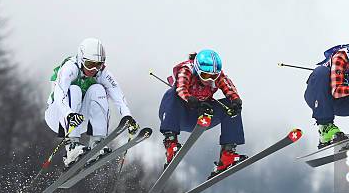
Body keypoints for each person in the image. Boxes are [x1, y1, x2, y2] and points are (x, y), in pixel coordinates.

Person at [45, 38, 137, 169]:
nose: (93, 69)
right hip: (59, 117)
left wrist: (127, 115)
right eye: (89, 64)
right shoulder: (70, 68)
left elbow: (117, 95)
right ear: (81, 59)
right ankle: (71, 147)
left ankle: (97, 143)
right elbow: (60, 94)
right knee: (75, 90)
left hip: (79, 120)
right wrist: (69, 114)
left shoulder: (102, 73)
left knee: (98, 89)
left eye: (98, 65)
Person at [159, 49, 246, 179]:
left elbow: (227, 85)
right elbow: (180, 88)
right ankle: (171, 143)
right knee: (171, 93)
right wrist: (191, 100)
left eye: (213, 77)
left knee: (230, 106)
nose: (209, 80)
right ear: (197, 69)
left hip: (203, 115)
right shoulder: (187, 69)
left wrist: (235, 100)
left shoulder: (217, 75)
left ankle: (227, 155)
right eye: (205, 76)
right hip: (179, 115)